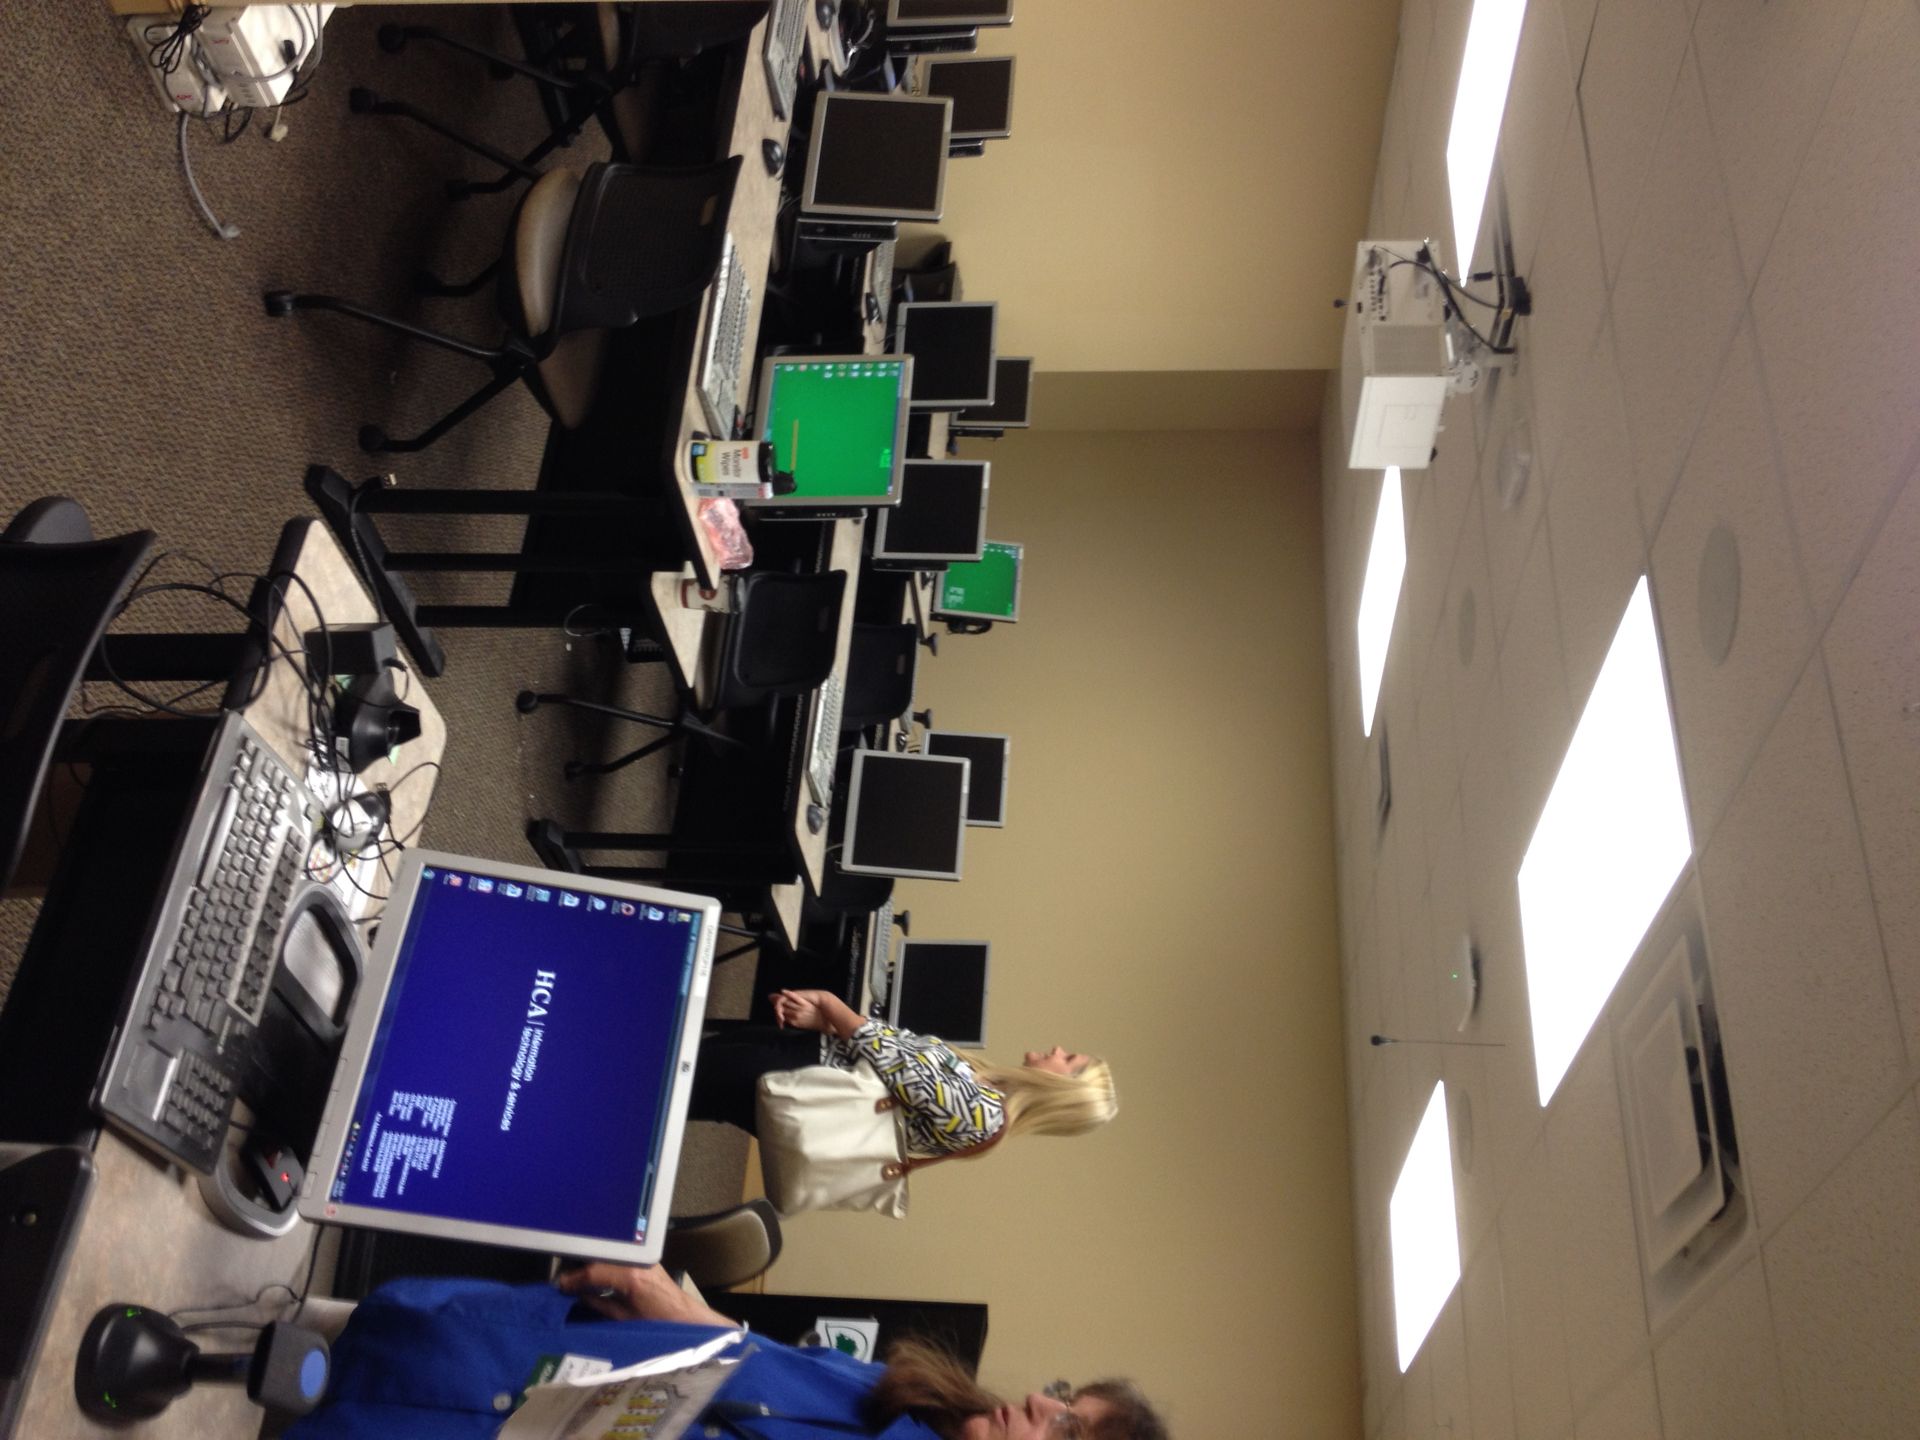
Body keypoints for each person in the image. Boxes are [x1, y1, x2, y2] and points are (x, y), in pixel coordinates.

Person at [286, 1261, 1168, 1440]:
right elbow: (755, 1361)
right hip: (474, 1353)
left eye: (1069, 1433)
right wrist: (679, 1307)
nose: (1044, 1406)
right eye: (1066, 1396)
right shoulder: (915, 1396)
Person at [691, 989, 1117, 1161]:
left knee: (674, 1080)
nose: (1058, 1049)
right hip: (799, 1058)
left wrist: (830, 1004)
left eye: (1068, 1058)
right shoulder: (984, 1081)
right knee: (686, 1062)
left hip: (792, 1079)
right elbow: (890, 1054)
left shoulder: (983, 1117)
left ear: (1062, 1088)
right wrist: (826, 1022)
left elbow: (894, 1060)